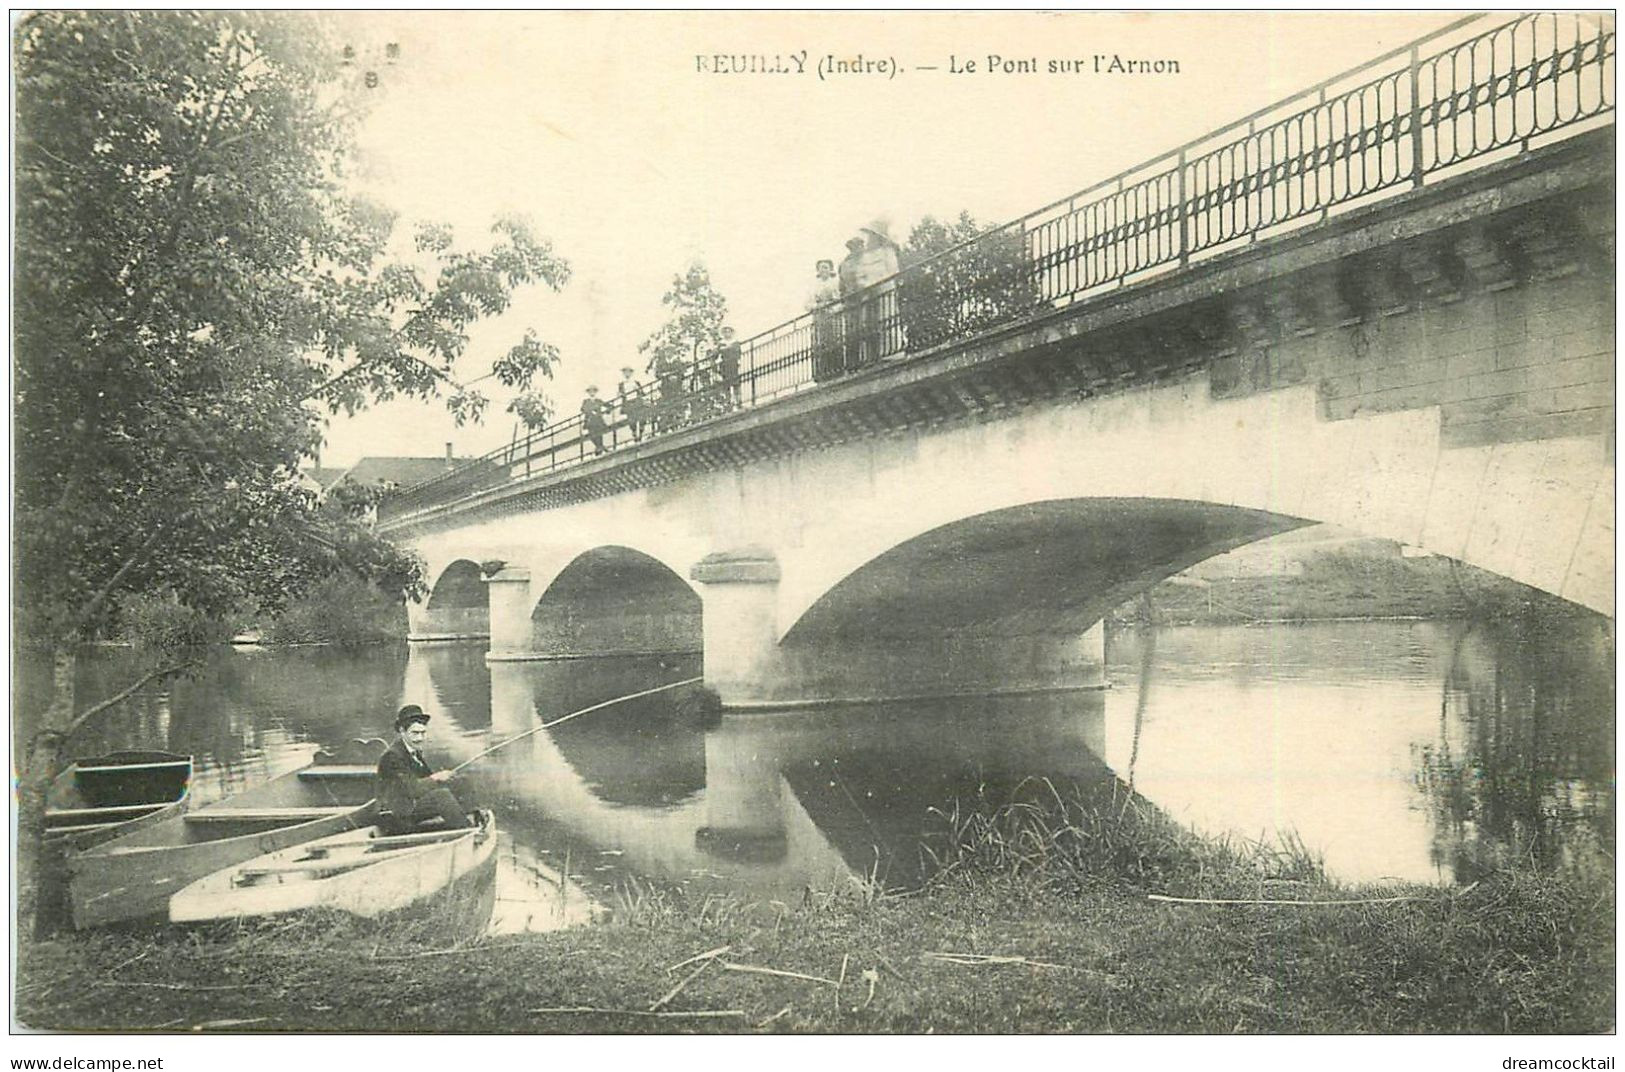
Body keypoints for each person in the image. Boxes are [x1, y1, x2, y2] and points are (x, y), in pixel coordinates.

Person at [375, 705, 476, 836]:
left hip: (410, 804)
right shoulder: (392, 756)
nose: (420, 738)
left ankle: (472, 818)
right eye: (415, 733)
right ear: (402, 731)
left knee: (461, 781)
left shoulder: (412, 750)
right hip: (396, 813)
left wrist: (446, 778)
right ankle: (466, 833)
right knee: (441, 796)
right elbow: (412, 789)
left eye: (423, 733)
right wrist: (436, 777)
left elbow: (425, 779)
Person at [808, 258, 843, 382]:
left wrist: (833, 307)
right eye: (821, 267)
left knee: (835, 340)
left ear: (830, 269)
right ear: (818, 270)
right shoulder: (814, 286)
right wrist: (817, 306)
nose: (823, 270)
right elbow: (807, 304)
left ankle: (836, 369)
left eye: (826, 267)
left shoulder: (835, 282)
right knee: (820, 343)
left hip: (833, 316)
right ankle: (821, 372)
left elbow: (840, 299)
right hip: (820, 317)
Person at [617, 366, 648, 441]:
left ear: (631, 373)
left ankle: (640, 433)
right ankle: (634, 434)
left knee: (641, 418)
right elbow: (619, 394)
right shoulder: (621, 384)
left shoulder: (635, 382)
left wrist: (639, 390)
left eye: (629, 372)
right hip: (628, 403)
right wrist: (620, 394)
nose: (627, 374)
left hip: (636, 401)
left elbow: (642, 392)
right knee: (631, 420)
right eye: (625, 372)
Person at [716, 327, 742, 409]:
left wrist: (726, 349)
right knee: (726, 384)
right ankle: (728, 402)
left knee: (736, 384)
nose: (727, 333)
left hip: (733, 364)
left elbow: (738, 351)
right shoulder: (721, 343)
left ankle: (738, 401)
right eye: (725, 332)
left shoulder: (735, 342)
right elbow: (717, 353)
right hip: (725, 365)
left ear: (731, 333)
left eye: (729, 332)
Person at [580, 385, 609, 454]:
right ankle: (601, 447)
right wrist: (591, 411)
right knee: (592, 436)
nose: (592, 393)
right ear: (588, 393)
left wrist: (606, 411)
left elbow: (608, 406)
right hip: (590, 421)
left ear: (595, 392)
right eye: (590, 391)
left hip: (598, 421)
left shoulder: (598, 401)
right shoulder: (586, 401)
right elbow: (583, 409)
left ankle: (599, 449)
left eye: (593, 391)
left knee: (599, 436)